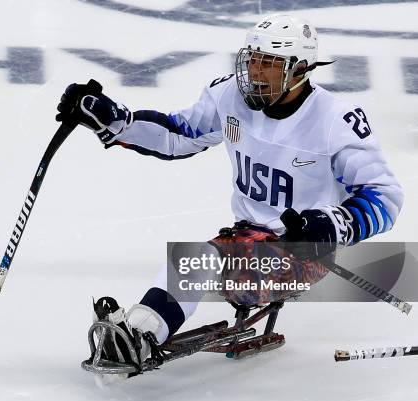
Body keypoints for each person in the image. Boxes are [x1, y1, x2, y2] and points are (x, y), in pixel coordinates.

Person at [56, 14, 403, 372]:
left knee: (202, 261)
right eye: (252, 58)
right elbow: (178, 135)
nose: (255, 70)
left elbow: (385, 196)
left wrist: (331, 224)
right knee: (200, 261)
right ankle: (136, 334)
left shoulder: (336, 121)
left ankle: (141, 335)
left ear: (299, 69)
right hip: (245, 236)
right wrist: (116, 120)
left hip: (304, 251)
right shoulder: (229, 96)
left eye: (269, 63)